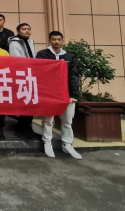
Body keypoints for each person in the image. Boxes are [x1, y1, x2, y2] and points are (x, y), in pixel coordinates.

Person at [37, 31, 82, 160]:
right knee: (48, 120)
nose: (56, 41)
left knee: (67, 121)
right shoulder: (42, 54)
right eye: (53, 39)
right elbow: (39, 72)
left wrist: (74, 94)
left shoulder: (69, 57)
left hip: (66, 94)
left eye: (58, 39)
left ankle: (67, 144)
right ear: (49, 40)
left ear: (62, 41)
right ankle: (47, 142)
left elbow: (73, 76)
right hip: (50, 94)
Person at [8, 23, 38, 139]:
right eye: (24, 29)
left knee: (31, 102)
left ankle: (28, 126)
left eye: (29, 29)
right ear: (18, 31)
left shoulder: (30, 41)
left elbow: (34, 56)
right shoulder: (14, 43)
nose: (27, 31)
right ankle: (21, 128)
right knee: (25, 101)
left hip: (31, 74)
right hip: (21, 75)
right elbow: (17, 60)